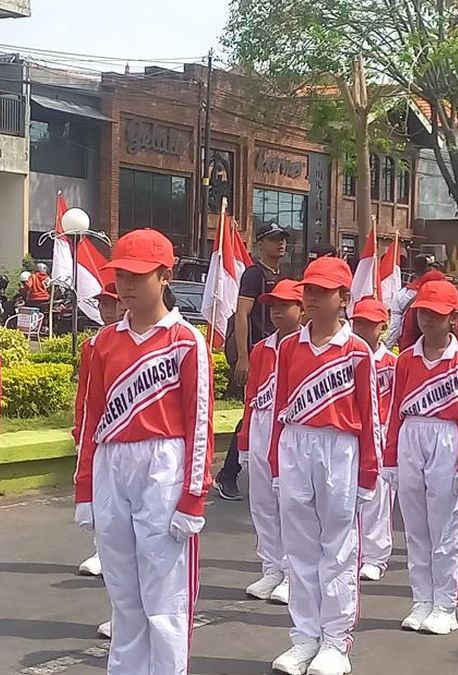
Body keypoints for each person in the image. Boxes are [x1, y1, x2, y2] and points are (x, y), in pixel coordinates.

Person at [74, 229, 213, 673]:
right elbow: (90, 419)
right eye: (121, 275)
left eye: (138, 275)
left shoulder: (186, 340)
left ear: (165, 275)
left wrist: (193, 497)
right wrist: (85, 489)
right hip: (112, 463)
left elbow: (199, 423)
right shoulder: (102, 343)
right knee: (123, 594)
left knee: (164, 595)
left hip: (163, 464)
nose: (126, 285)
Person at [268, 256, 379, 675]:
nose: (311, 298)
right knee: (298, 548)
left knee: (337, 548)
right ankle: (304, 637)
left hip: (340, 449)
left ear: (343, 298)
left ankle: (335, 642)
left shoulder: (357, 351)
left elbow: (370, 417)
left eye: (321, 291)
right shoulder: (288, 347)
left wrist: (368, 474)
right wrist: (276, 464)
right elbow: (279, 409)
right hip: (296, 444)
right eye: (308, 290)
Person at [385, 280, 458, 635]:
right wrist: (390, 458)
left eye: (436, 314)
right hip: (411, 435)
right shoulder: (405, 359)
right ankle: (421, 600)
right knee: (415, 527)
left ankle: (445, 605)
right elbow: (395, 409)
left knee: (444, 527)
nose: (427, 319)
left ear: (453, 318)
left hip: (446, 438)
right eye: (422, 312)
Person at [240, 279, 304, 605]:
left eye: (285, 305)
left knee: (290, 504)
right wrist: (244, 441)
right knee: (262, 502)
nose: (277, 311)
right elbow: (251, 396)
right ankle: (272, 568)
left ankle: (294, 572)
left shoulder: (306, 347)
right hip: (261, 424)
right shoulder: (261, 349)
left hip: (290, 429)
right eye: (273, 306)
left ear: (302, 309)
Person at [216, 222, 288, 501]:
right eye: (274, 239)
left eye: (283, 238)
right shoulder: (254, 274)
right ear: (260, 244)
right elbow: (242, 314)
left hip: (277, 354)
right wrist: (244, 357)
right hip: (257, 353)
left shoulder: (280, 275)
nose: (280, 243)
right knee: (253, 412)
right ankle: (227, 474)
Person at [73, 283, 123, 638]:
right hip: (102, 437)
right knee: (104, 507)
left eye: (111, 303)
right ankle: (101, 551)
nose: (107, 309)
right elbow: (88, 394)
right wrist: (81, 427)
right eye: (102, 303)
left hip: (137, 448)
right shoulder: (93, 345)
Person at [351, 298, 398, 582]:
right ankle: (354, 550)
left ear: (382, 326)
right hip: (353, 433)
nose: (362, 328)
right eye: (358, 322)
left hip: (381, 434)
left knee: (378, 497)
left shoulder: (391, 363)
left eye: (369, 324)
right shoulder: (349, 356)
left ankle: (375, 557)